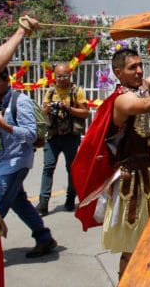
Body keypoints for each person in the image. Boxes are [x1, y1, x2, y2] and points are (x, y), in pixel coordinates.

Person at [71, 48, 150, 279]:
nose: (140, 71)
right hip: (133, 181)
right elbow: (148, 105)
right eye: (133, 67)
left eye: (140, 65)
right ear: (118, 72)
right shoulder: (122, 100)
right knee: (133, 241)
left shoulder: (140, 90)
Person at [0, 67, 57, 258]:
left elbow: (31, 134)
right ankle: (44, 238)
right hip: (1, 163)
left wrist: (7, 127)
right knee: (19, 202)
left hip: (17, 162)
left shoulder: (21, 102)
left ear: (7, 80)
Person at [35, 62, 89, 215]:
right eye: (59, 76)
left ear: (70, 75)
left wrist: (68, 108)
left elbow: (85, 112)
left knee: (71, 168)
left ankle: (70, 199)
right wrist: (50, 107)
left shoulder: (76, 91)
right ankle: (43, 203)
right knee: (48, 167)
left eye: (65, 76)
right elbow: (43, 112)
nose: (62, 79)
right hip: (53, 136)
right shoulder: (51, 91)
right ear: (54, 76)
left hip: (70, 137)